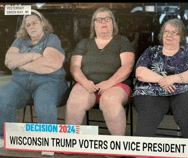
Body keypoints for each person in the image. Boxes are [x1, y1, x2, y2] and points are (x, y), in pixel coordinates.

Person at [0, 10, 70, 146]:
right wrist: (33, 57)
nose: (31, 27)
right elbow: (8, 61)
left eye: (34, 23)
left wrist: (20, 65)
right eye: (28, 25)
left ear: (42, 23)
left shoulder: (51, 38)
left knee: (44, 100)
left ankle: (48, 141)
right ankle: (3, 137)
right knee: (3, 95)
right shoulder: (20, 41)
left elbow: (50, 64)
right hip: (20, 83)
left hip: (49, 81)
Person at [132, 19, 188, 139]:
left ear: (181, 36)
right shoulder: (151, 52)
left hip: (187, 92)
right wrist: (162, 80)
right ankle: (142, 156)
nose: (169, 35)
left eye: (174, 32)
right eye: (166, 31)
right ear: (161, 34)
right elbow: (140, 72)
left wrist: (172, 79)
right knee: (148, 111)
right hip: (151, 92)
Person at [65, 7, 135, 136]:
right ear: (93, 24)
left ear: (113, 23)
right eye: (99, 20)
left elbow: (127, 66)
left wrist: (109, 83)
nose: (103, 22)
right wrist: (85, 82)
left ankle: (118, 147)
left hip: (117, 85)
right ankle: (69, 141)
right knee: (75, 100)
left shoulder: (122, 41)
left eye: (107, 19)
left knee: (109, 100)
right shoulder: (84, 43)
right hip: (87, 84)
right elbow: (75, 67)